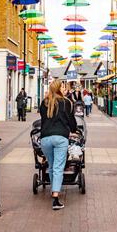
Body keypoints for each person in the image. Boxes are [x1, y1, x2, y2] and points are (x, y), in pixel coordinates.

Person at [40, 79, 77, 210]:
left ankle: (53, 191)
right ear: (57, 88)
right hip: (60, 138)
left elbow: (43, 120)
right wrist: (73, 131)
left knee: (51, 166)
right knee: (58, 167)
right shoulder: (66, 103)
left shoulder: (44, 103)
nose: (64, 89)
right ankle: (55, 198)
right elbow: (71, 121)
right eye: (62, 87)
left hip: (45, 139)